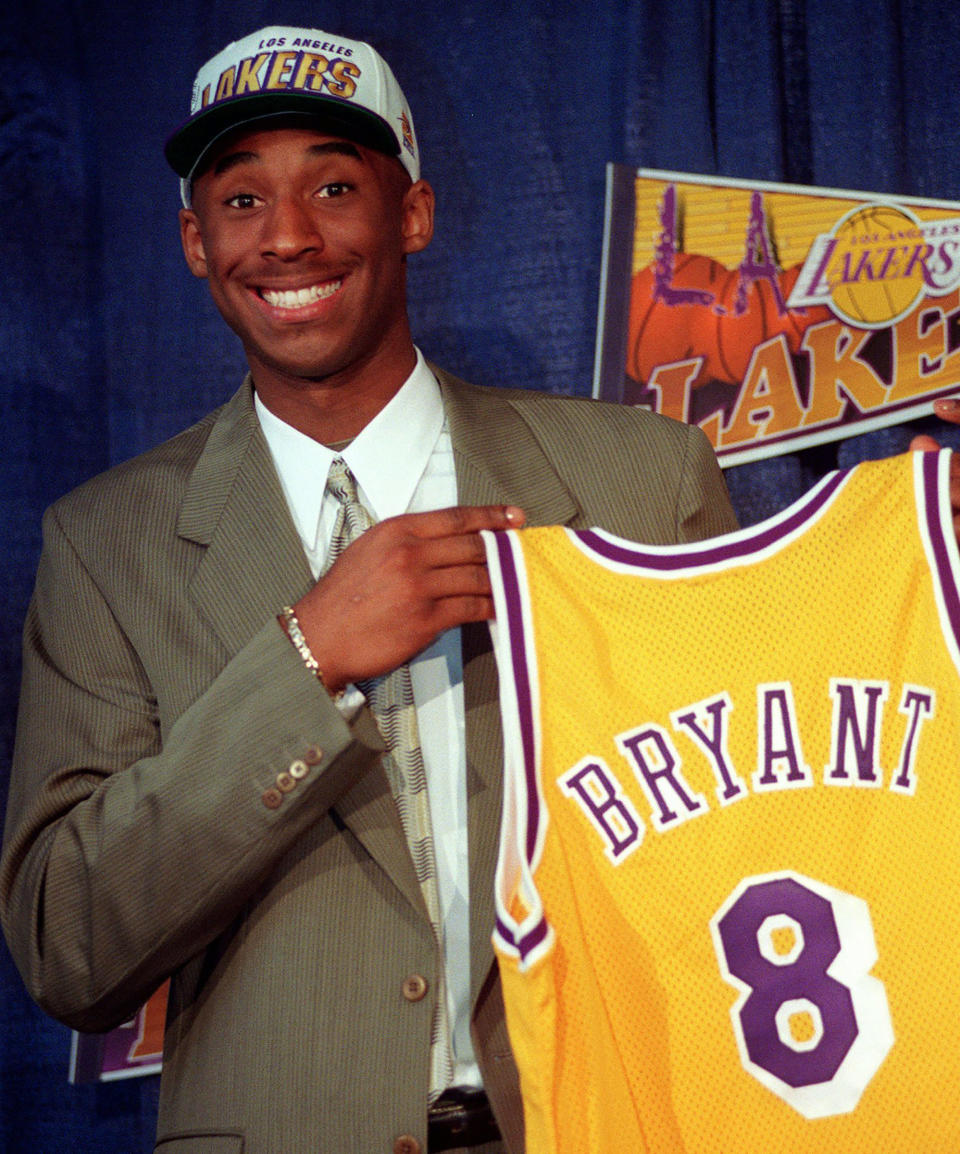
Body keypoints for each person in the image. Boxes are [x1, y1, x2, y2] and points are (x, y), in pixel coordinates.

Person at [0, 23, 955, 1154]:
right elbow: (69, 943)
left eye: (336, 184)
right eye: (241, 200)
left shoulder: (642, 480)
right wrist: (306, 660)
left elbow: (810, 790)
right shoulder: (109, 543)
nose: (289, 235)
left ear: (413, 214)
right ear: (194, 241)